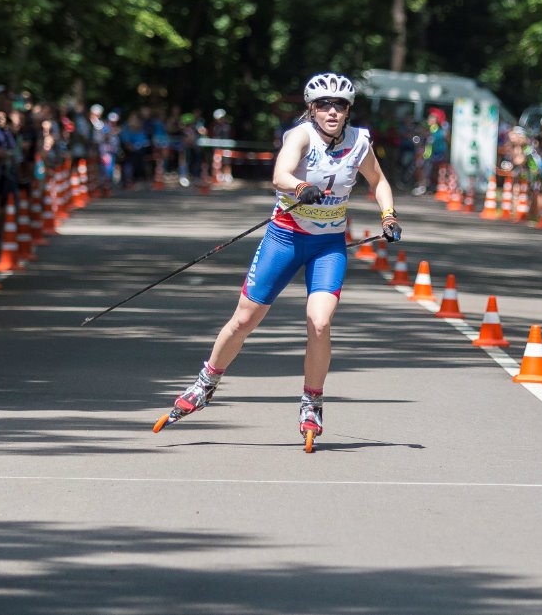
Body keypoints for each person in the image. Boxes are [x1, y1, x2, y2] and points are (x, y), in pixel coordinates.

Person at [156, 73, 401, 444]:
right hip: (284, 237)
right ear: (311, 108)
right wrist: (301, 187)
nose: (332, 111)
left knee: (320, 323)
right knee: (245, 318)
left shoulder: (359, 143)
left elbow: (379, 181)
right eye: (323, 105)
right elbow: (280, 174)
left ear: (349, 110)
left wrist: (388, 216)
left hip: (327, 245)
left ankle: (311, 402)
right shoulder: (300, 136)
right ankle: (206, 383)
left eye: (340, 105)